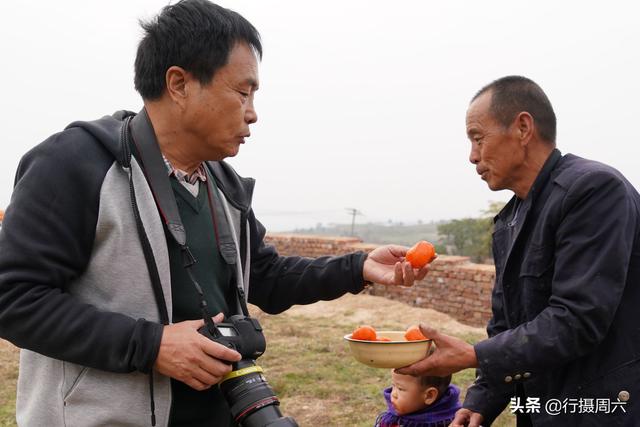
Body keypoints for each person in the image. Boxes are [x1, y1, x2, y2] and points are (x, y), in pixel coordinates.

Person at [0, 2, 431, 426]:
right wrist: (151, 346)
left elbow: (265, 275)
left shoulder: (223, 184)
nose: (253, 113)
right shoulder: (77, 165)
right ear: (179, 83)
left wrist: (358, 268)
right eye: (243, 92)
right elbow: (12, 297)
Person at [396, 76, 640, 426]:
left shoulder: (594, 191)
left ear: (523, 127)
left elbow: (577, 320)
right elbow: (507, 324)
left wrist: (472, 355)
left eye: (478, 138)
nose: (472, 156)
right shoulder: (510, 218)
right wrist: (482, 399)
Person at [374, 368, 461, 427]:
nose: (393, 394)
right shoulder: (391, 419)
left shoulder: (451, 422)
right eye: (393, 385)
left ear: (429, 395)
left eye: (400, 388)